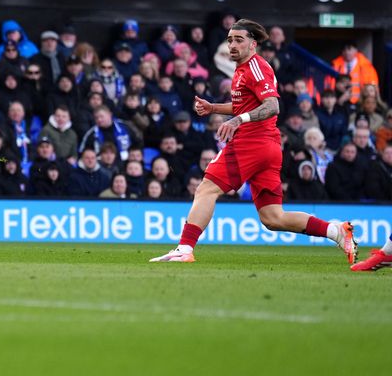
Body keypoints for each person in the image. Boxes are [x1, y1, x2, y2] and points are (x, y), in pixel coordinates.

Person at [151, 19, 357, 263]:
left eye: (239, 40)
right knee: (273, 218)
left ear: (253, 44)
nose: (233, 45)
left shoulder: (256, 67)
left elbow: (272, 106)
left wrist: (238, 120)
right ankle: (337, 231)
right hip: (267, 146)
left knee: (206, 188)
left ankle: (184, 248)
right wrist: (214, 107)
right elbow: (245, 105)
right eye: (229, 40)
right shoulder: (242, 70)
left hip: (253, 142)